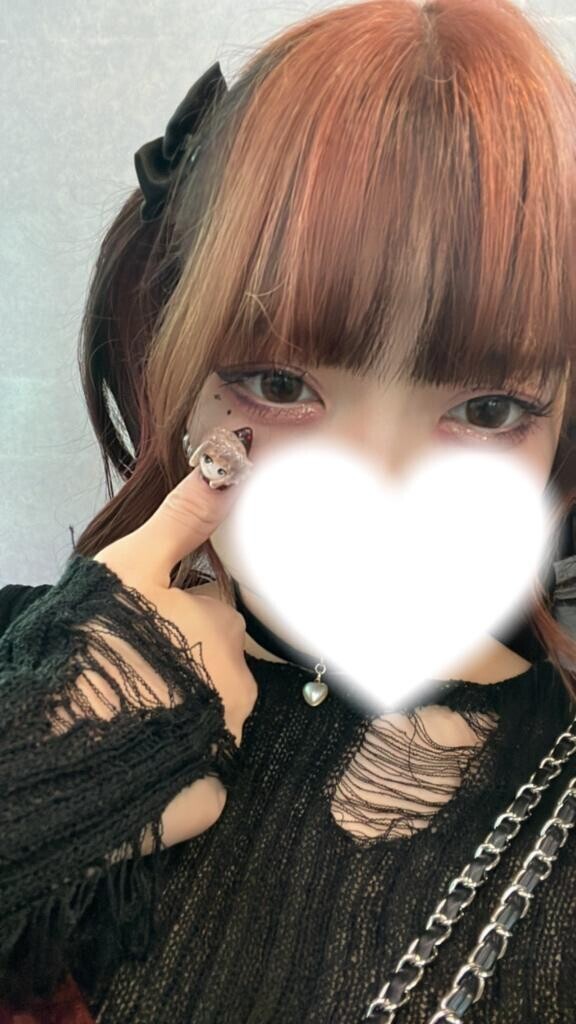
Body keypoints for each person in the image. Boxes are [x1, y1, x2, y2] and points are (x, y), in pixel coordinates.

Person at [2, 0, 576, 1021]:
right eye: (278, 384)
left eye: (488, 410)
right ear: (173, 365)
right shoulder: (19, 662)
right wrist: (37, 778)